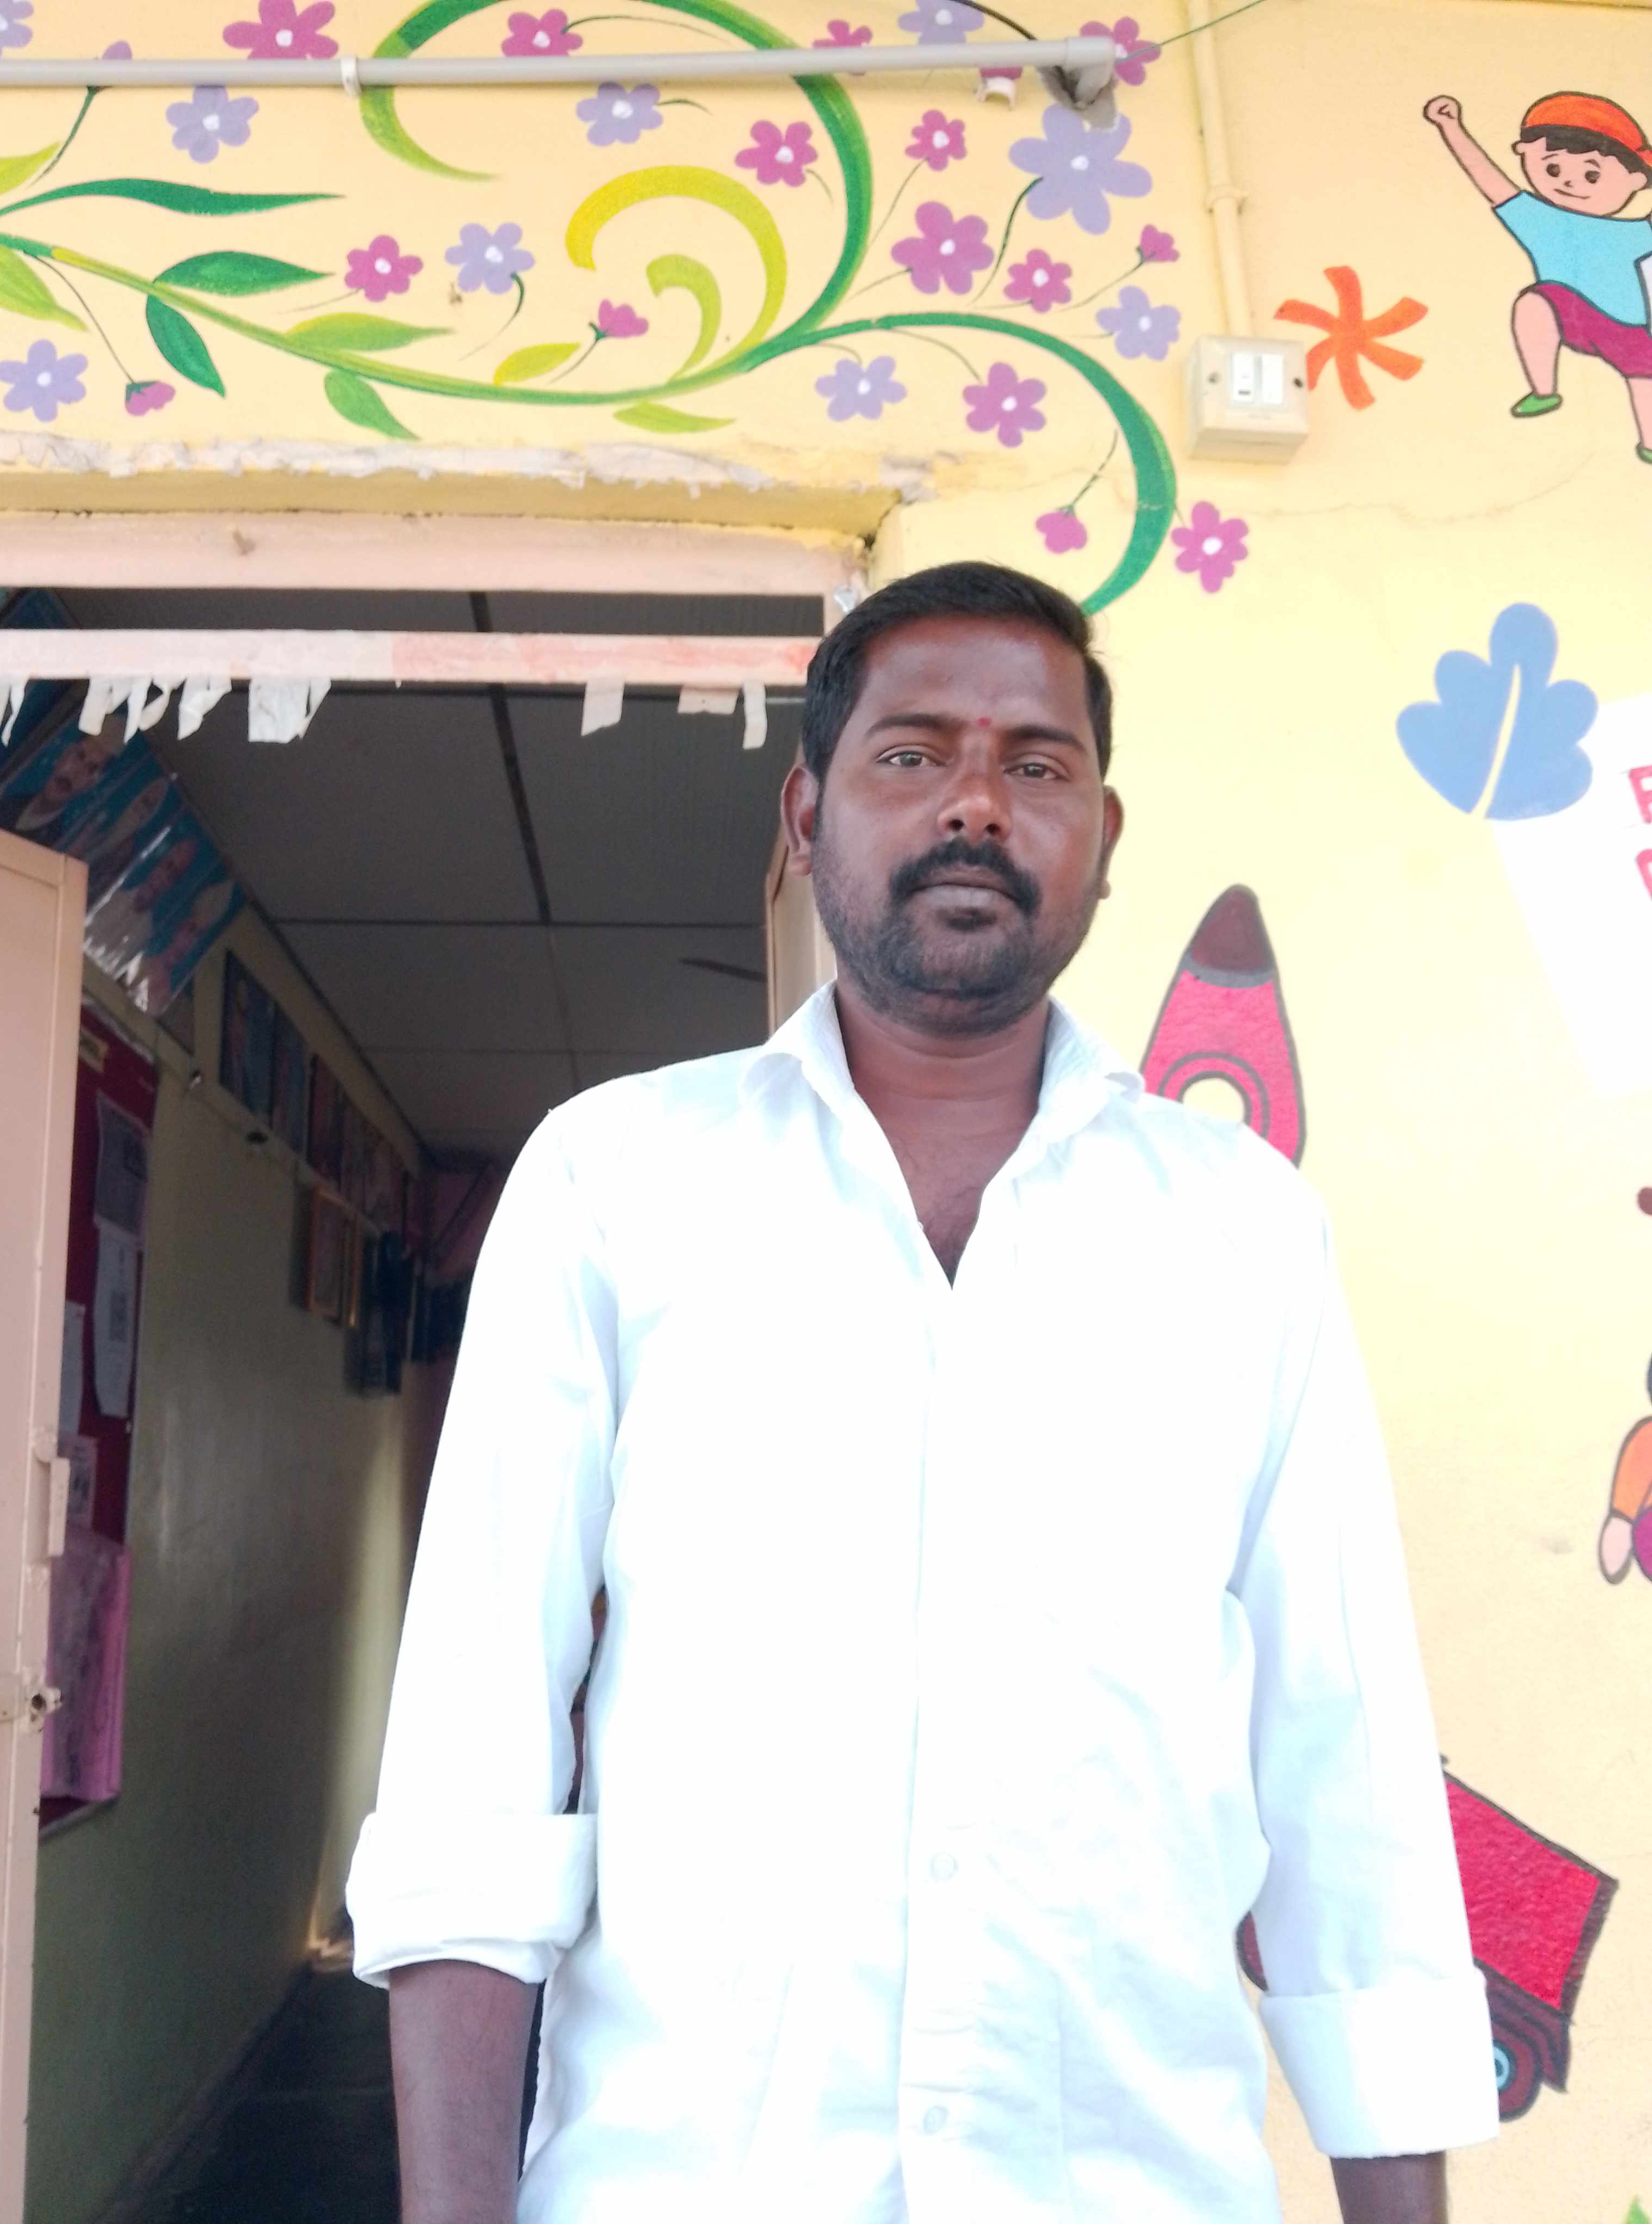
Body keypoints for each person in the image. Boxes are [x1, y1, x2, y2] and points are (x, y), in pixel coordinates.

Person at [347, 563, 1499, 2224]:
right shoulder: (615, 1184)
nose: (976, 802)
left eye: (1035, 763)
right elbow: (474, 1771)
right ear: (806, 814)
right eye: (912, 753)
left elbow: (1348, 1786)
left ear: (1102, 834)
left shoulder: (1245, 1235)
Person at [1424, 89, 1652, 460]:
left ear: (1637, 180)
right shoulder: (1540, 220)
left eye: (1592, 174)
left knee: (1646, 382)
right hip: (1569, 315)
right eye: (1553, 168)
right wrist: (1451, 127)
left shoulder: (1643, 232)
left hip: (1632, 329)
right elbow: (1488, 179)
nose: (1570, 183)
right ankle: (1544, 391)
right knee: (1533, 302)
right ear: (1525, 155)